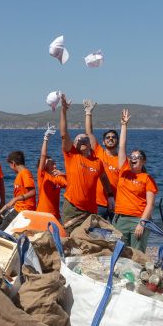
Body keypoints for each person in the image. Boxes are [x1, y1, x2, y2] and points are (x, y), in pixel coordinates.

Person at [58, 94, 115, 228]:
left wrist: (110, 195)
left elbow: (104, 178)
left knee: (86, 243)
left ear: (90, 144)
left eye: (85, 139)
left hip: (90, 210)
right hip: (72, 208)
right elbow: (64, 134)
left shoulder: (97, 161)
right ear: (75, 144)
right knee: (72, 243)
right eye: (79, 140)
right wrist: (63, 112)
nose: (82, 140)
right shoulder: (71, 155)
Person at [112, 109, 159, 250]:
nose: (133, 158)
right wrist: (124, 126)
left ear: (143, 161)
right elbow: (121, 147)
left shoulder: (147, 178)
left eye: (137, 157)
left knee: (137, 254)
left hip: (138, 219)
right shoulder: (123, 171)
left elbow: (150, 204)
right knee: (120, 252)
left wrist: (142, 222)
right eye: (132, 156)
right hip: (120, 219)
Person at [84, 99, 121, 220]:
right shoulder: (99, 152)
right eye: (108, 137)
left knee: (116, 235)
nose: (111, 139)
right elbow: (89, 133)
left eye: (113, 137)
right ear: (104, 142)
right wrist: (88, 113)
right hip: (98, 203)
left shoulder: (122, 160)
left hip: (116, 203)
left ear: (117, 140)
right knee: (97, 235)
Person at [36, 125, 67, 220]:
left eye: (54, 163)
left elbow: (71, 185)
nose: (54, 165)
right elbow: (43, 155)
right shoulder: (42, 175)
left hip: (56, 215)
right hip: (42, 214)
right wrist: (46, 138)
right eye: (51, 163)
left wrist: (64, 174)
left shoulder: (57, 176)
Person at [0, 150, 36, 218]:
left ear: (13, 163)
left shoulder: (25, 173)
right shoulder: (20, 174)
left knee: (2, 228)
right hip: (18, 208)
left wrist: (15, 199)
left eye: (9, 165)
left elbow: (32, 192)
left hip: (24, 210)